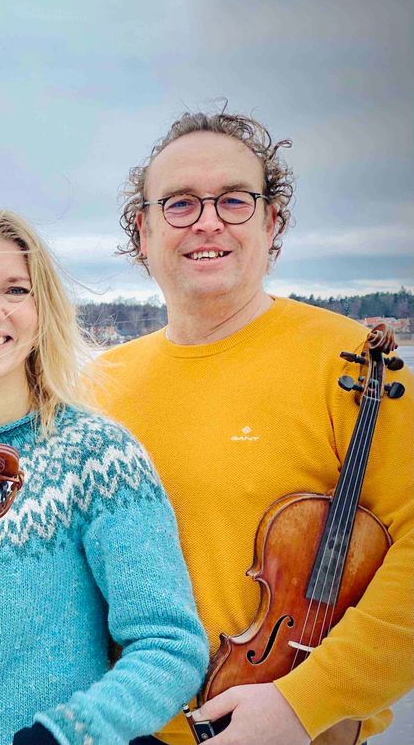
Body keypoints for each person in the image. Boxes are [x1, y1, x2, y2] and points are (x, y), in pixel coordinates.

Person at [95, 110, 414, 745]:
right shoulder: (98, 383)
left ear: (272, 223)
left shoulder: (353, 364)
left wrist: (303, 703)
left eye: (235, 200)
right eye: (180, 203)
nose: (208, 221)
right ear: (144, 230)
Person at [0, 208, 208, 745]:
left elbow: (170, 645)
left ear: (43, 313)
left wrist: (63, 735)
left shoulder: (99, 456)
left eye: (17, 291)